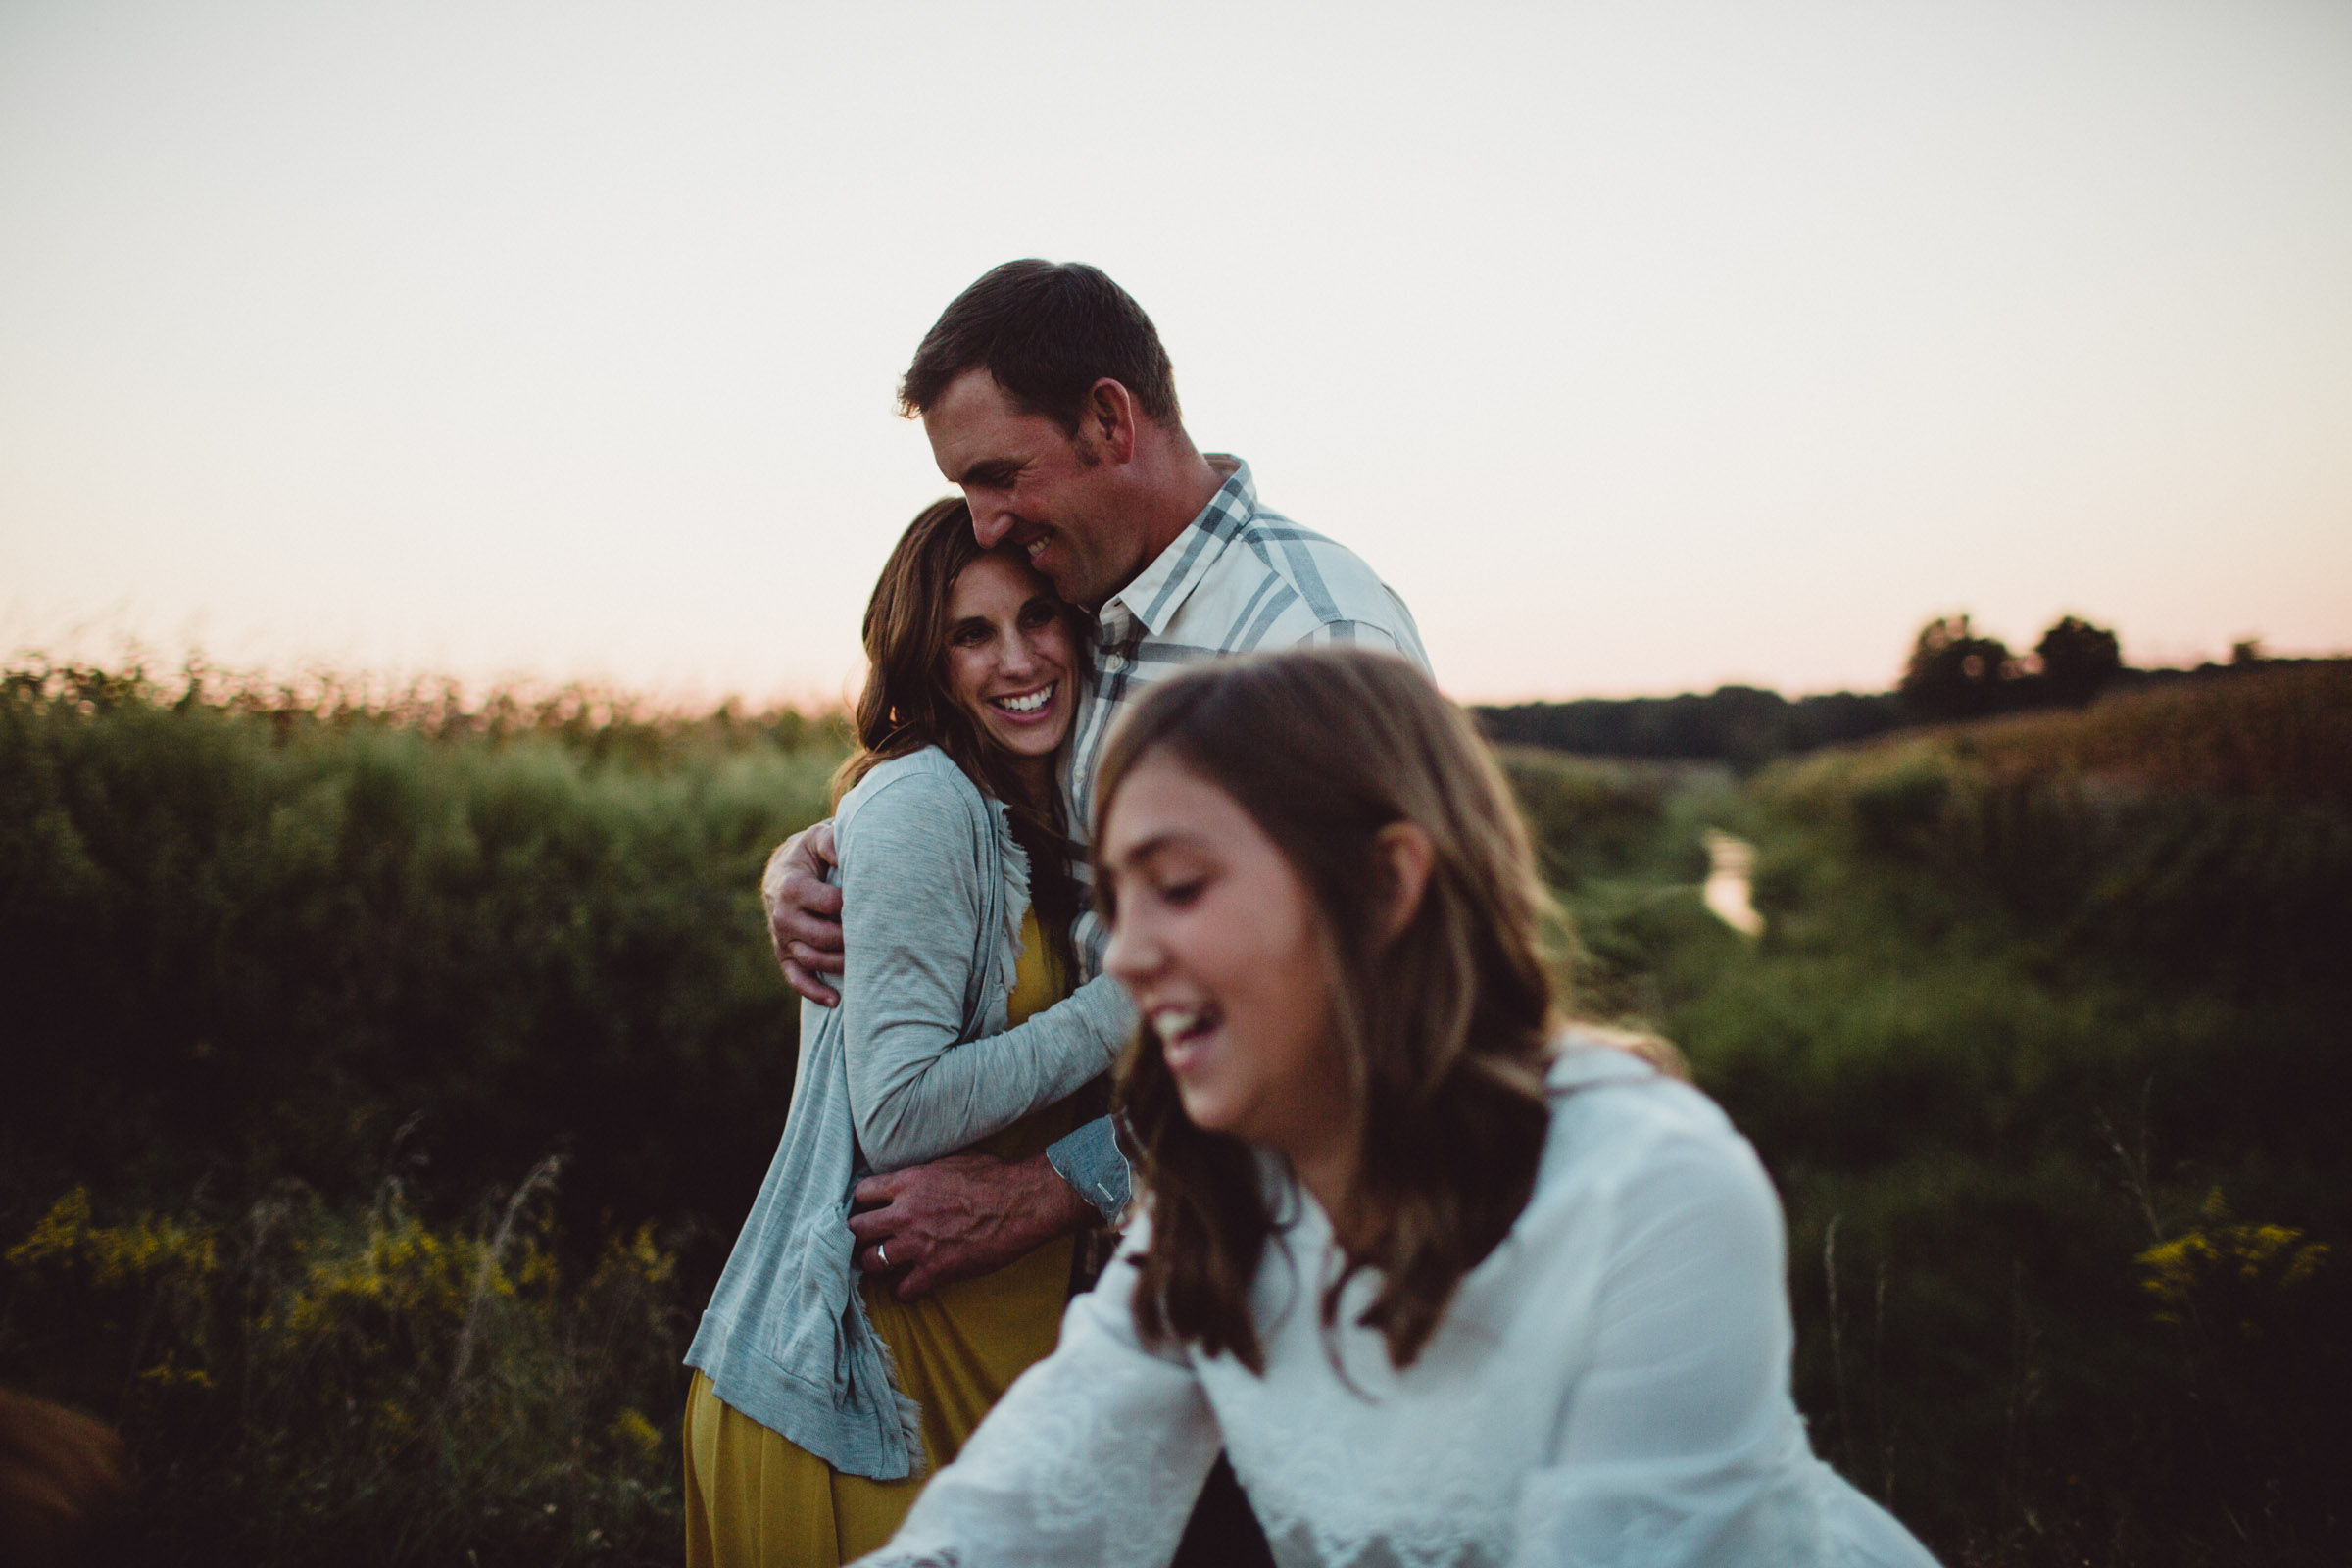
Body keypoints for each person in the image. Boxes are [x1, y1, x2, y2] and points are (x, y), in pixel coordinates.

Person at [856, 648, 1943, 1568]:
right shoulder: (1220, 1199)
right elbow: (1012, 1515)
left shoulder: (1649, 1193)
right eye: (1121, 903)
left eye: (1179, 888)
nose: (1130, 960)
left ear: (1386, 885)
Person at [680, 498, 1140, 1567]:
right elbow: (900, 1112)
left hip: (991, 1375)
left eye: (1038, 616)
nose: (1017, 659)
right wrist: (1126, 1000)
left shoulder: (1061, 805)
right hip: (865, 1402)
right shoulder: (926, 800)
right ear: (925, 663)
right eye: (970, 634)